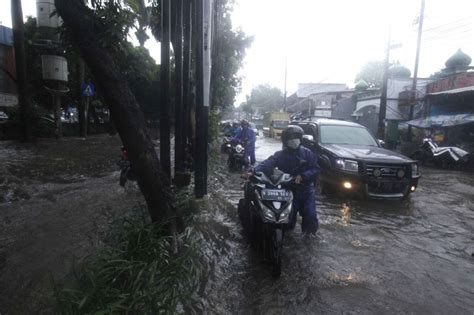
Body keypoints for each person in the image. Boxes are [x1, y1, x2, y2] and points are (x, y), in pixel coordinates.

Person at [246, 125, 319, 235]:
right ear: (285, 140)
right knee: (288, 220)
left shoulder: (307, 153)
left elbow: (315, 168)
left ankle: (310, 238)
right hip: (288, 190)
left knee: (310, 215)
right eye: (290, 138)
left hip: (306, 190)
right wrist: (253, 171)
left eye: (296, 137)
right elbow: (267, 163)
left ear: (300, 138)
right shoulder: (280, 155)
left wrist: (303, 176)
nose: (293, 140)